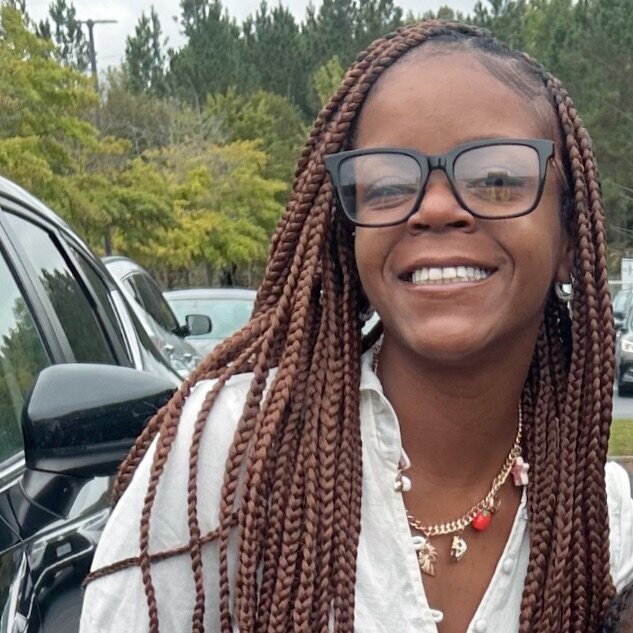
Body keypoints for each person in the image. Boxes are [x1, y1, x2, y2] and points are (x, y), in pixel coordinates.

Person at [79, 20, 633, 633]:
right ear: (349, 238)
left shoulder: (600, 513)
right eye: (389, 185)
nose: (436, 208)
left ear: (569, 238)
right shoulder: (231, 451)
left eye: (496, 180)